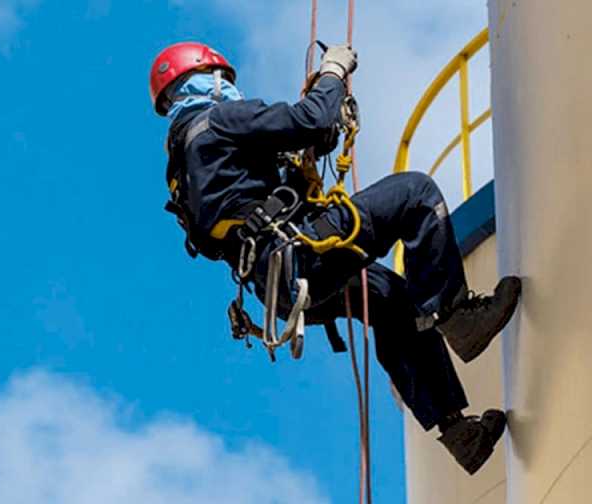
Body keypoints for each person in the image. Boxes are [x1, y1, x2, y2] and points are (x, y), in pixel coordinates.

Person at [149, 41, 522, 474]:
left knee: (391, 300)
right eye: (223, 81)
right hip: (299, 256)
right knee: (415, 194)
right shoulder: (219, 119)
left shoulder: (184, 164)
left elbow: (301, 147)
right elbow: (311, 120)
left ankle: (458, 433)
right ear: (207, 81)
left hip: (282, 285)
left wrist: (310, 143)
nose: (229, 88)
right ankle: (458, 315)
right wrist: (332, 73)